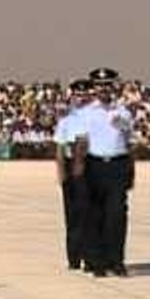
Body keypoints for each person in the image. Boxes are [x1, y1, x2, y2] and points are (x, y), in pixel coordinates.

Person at [74, 67, 133, 277]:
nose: (103, 90)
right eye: (99, 86)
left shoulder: (123, 112)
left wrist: (130, 171)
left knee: (117, 216)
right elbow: (81, 143)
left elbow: (129, 142)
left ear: (113, 87)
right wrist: (79, 171)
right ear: (94, 88)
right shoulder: (86, 113)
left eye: (107, 85)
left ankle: (116, 260)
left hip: (117, 165)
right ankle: (96, 261)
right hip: (94, 165)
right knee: (95, 215)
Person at [54, 79, 92, 270]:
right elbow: (60, 148)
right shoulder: (66, 121)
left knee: (89, 212)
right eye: (78, 95)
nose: (81, 98)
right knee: (72, 213)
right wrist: (61, 171)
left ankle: (89, 254)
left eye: (84, 95)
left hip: (90, 165)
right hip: (71, 165)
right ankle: (74, 256)